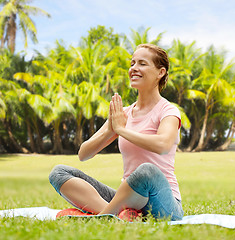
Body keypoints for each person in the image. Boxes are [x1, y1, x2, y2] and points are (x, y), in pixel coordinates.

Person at [49, 43, 183, 221]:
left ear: (161, 72)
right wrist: (111, 130)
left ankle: (103, 216)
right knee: (59, 173)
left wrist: (121, 130)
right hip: (126, 197)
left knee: (147, 171)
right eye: (132, 63)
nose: (134, 68)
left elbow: (163, 145)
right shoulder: (123, 113)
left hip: (162, 202)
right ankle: (119, 214)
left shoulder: (168, 111)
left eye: (142, 64)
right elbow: (83, 154)